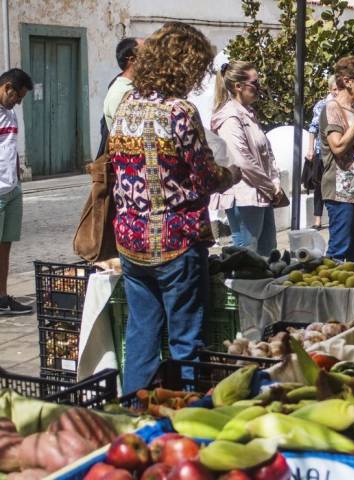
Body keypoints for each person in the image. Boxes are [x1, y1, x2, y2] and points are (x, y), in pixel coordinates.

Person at [109, 22, 233, 393]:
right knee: (185, 340)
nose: (198, 78)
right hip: (175, 243)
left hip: (131, 241)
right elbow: (205, 176)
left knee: (141, 334)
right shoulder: (179, 110)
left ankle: (135, 409)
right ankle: (184, 415)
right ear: (183, 65)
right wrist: (232, 175)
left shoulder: (126, 104)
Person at [211, 61, 282, 256]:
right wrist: (270, 185)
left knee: (268, 253)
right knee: (247, 255)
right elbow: (241, 160)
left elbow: (265, 152)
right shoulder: (229, 118)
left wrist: (274, 181)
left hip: (261, 193)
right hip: (244, 195)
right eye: (254, 83)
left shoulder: (248, 114)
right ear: (238, 86)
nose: (259, 88)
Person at [319, 56, 354, 262]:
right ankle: (332, 293)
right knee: (339, 250)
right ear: (347, 81)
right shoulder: (332, 108)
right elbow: (338, 146)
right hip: (341, 193)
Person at [0, 69, 33, 315]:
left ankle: (2, 297)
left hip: (12, 189)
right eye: (17, 97)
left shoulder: (10, 113)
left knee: (5, 246)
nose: (18, 102)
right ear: (7, 87)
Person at [96, 38, 143, 159]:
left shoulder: (137, 87)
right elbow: (132, 136)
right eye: (147, 54)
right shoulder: (121, 92)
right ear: (132, 60)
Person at [305, 75, 338, 230]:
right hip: (322, 151)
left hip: (339, 151)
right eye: (334, 89)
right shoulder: (322, 105)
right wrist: (310, 149)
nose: (337, 92)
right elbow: (313, 128)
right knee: (319, 186)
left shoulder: (345, 105)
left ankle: (334, 218)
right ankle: (317, 219)